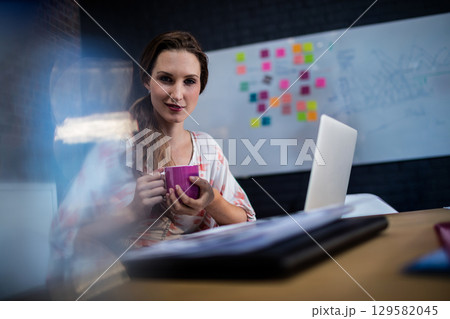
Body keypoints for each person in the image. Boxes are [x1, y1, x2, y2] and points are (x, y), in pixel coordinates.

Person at [49, 31, 255, 294]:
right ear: (147, 80)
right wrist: (132, 212)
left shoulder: (207, 149)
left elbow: (246, 223)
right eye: (166, 79)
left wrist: (212, 201)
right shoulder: (112, 152)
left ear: (200, 87)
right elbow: (69, 236)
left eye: (189, 81)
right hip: (131, 291)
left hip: (196, 286)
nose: (177, 94)